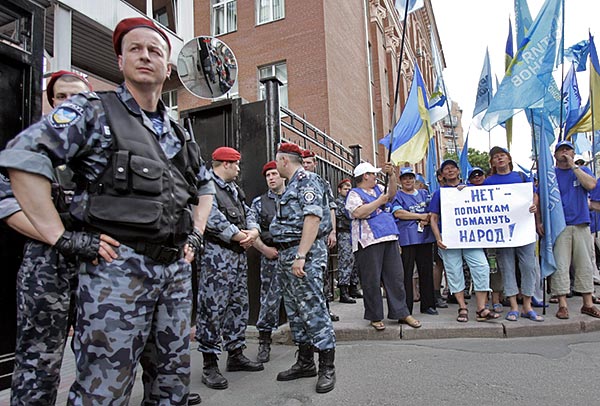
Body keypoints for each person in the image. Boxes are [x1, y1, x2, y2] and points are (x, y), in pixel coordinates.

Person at [0, 17, 214, 404]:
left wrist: (196, 235)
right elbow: (23, 156)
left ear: (168, 67)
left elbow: (204, 186)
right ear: (120, 61)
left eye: (155, 50)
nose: (145, 56)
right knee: (104, 388)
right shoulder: (93, 110)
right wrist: (60, 237)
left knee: (173, 385)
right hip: (118, 272)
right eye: (135, 48)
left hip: (174, 274)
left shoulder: (178, 130)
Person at [0, 70, 90, 406]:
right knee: (39, 359)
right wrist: (62, 239)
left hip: (93, 265)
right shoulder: (32, 146)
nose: (69, 104)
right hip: (45, 266)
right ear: (51, 102)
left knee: (96, 356)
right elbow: (9, 208)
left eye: (77, 98)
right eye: (62, 97)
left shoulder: (97, 151)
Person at [270, 142, 336, 394]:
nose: (275, 166)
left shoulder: (307, 180)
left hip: (302, 254)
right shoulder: (291, 186)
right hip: (287, 254)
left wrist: (301, 255)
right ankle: (305, 362)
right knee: (296, 310)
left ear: (284, 160)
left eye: (277, 161)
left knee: (313, 308)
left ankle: (327, 367)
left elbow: (313, 218)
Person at [197, 146, 263, 390]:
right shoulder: (206, 185)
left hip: (236, 256)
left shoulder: (233, 189)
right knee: (212, 308)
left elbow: (250, 212)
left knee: (238, 305)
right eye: (235, 164)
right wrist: (240, 236)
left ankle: (235, 354)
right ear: (225, 164)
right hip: (217, 255)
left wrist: (253, 231)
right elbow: (210, 217)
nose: (238, 168)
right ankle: (209, 364)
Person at [345, 161, 421, 331]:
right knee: (371, 279)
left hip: (388, 236)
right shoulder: (354, 194)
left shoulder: (379, 188)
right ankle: (374, 315)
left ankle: (402, 312)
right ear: (365, 176)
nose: (375, 176)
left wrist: (392, 175)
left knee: (395, 276)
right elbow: (359, 212)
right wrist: (379, 202)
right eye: (372, 174)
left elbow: (391, 194)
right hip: (368, 241)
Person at [429, 159, 499, 323]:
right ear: (442, 175)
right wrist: (438, 238)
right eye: (446, 169)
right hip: (449, 240)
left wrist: (466, 192)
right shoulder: (439, 193)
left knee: (481, 267)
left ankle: (481, 308)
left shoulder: (471, 189)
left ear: (459, 171)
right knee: (454, 272)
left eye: (453, 167)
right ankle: (462, 307)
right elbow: (433, 218)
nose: (450, 170)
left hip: (471, 240)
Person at [484, 146, 541, 322]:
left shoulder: (521, 177)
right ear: (492, 163)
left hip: (524, 228)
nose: (499, 159)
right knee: (507, 266)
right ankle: (514, 307)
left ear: (509, 159)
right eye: (495, 157)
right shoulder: (488, 182)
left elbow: (534, 195)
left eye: (502, 156)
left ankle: (527, 305)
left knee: (528, 266)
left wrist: (534, 205)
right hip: (503, 232)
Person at [550, 140, 600, 319]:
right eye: (561, 150)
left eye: (568, 150)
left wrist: (573, 167)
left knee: (584, 264)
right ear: (555, 155)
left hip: (581, 223)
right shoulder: (551, 174)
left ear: (573, 153)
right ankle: (562, 304)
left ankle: (587, 303)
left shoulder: (582, 170)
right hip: (559, 226)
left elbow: (592, 185)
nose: (564, 153)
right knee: (561, 265)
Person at [248, 160, 286, 363]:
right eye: (268, 175)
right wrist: (264, 249)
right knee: (268, 301)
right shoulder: (259, 202)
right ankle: (264, 342)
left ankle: (305, 344)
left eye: (274, 174)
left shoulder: (294, 198)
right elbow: (251, 228)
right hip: (271, 257)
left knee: (300, 299)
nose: (271, 178)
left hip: (294, 256)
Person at [392, 167, 437, 315]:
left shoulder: (424, 194)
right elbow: (398, 213)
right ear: (401, 180)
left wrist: (428, 217)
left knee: (426, 272)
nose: (408, 181)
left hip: (425, 238)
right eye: (405, 178)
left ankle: (428, 305)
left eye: (410, 177)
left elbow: (433, 209)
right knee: (406, 274)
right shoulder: (398, 195)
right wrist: (419, 216)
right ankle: (406, 308)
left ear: (415, 179)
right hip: (407, 240)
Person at [302, 149, 339, 321]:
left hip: (320, 236)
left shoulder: (322, 183)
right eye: (303, 162)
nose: (306, 165)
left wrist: (332, 231)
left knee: (321, 274)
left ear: (315, 164)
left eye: (309, 162)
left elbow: (331, 207)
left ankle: (325, 309)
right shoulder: (294, 182)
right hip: (299, 237)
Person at [467, 167, 504, 314]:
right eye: (474, 176)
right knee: (480, 270)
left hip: (492, 238)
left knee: (494, 269)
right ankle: (484, 301)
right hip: (474, 240)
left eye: (480, 175)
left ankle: (495, 299)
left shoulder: (494, 190)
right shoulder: (465, 193)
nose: (477, 178)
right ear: (470, 180)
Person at [335, 178, 361, 303]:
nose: (348, 191)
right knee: (345, 260)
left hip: (352, 233)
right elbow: (346, 217)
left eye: (349, 188)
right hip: (344, 233)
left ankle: (353, 287)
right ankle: (343, 291)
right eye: (345, 188)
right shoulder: (339, 203)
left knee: (354, 260)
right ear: (339, 190)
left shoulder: (351, 201)